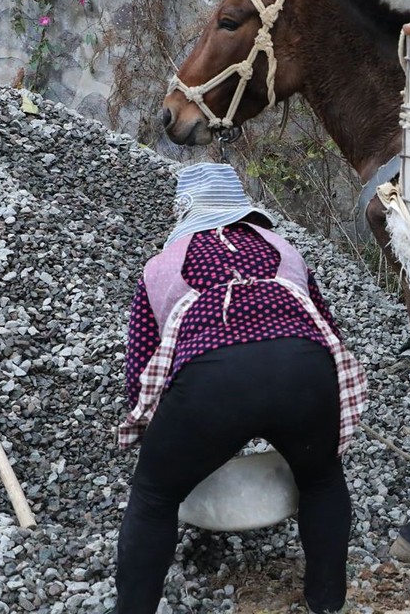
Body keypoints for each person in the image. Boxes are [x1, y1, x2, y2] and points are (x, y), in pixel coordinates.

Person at [114, 162, 367, 614]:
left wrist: (158, 439)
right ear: (244, 209)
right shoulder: (285, 249)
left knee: (154, 494)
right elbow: (325, 326)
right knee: (321, 478)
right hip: (302, 369)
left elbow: (143, 364)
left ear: (184, 212)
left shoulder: (162, 267)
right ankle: (326, 604)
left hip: (215, 380)